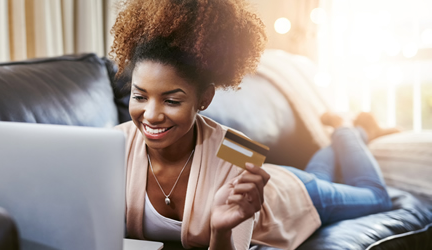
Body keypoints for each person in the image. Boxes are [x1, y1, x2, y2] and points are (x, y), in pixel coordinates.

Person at [111, 1, 396, 249]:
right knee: (319, 173)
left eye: (171, 101)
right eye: (139, 96)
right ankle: (335, 136)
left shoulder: (238, 148)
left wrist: (221, 229)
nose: (150, 115)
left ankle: (348, 127)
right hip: (291, 175)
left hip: (294, 197)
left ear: (205, 99)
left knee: (375, 196)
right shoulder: (112, 146)